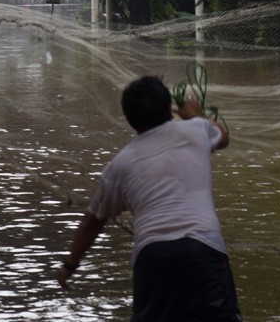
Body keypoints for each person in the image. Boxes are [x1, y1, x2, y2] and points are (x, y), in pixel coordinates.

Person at [57, 76, 241, 322]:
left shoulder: (120, 164)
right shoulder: (196, 129)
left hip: (152, 258)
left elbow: (92, 221)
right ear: (169, 108)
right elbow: (223, 137)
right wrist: (194, 114)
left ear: (130, 119)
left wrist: (69, 266)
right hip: (203, 251)